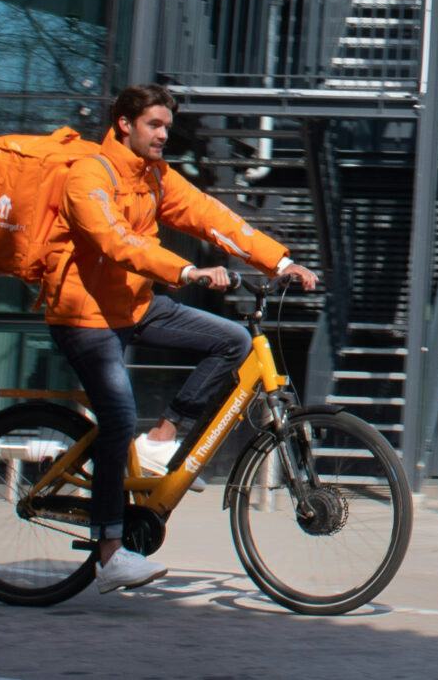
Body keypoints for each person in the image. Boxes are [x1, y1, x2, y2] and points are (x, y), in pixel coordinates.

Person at [43, 85, 319, 594]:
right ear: (124, 123)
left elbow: (213, 216)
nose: (163, 134)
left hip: (136, 306)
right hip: (85, 316)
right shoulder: (88, 175)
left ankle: (162, 440)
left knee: (233, 341)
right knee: (118, 417)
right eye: (154, 124)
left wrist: (280, 262)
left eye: (167, 126)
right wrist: (186, 270)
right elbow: (114, 241)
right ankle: (109, 554)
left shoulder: (155, 178)